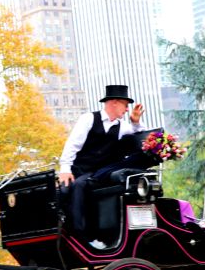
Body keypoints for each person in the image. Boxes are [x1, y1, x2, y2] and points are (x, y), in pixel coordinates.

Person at [58, 84, 145, 242]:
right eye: (125, 106)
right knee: (66, 189)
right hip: (79, 170)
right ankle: (70, 232)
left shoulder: (123, 127)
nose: (126, 110)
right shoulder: (89, 119)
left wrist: (135, 122)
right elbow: (72, 144)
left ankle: (84, 235)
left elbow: (139, 139)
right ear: (114, 103)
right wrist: (65, 169)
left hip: (100, 173)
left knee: (80, 186)